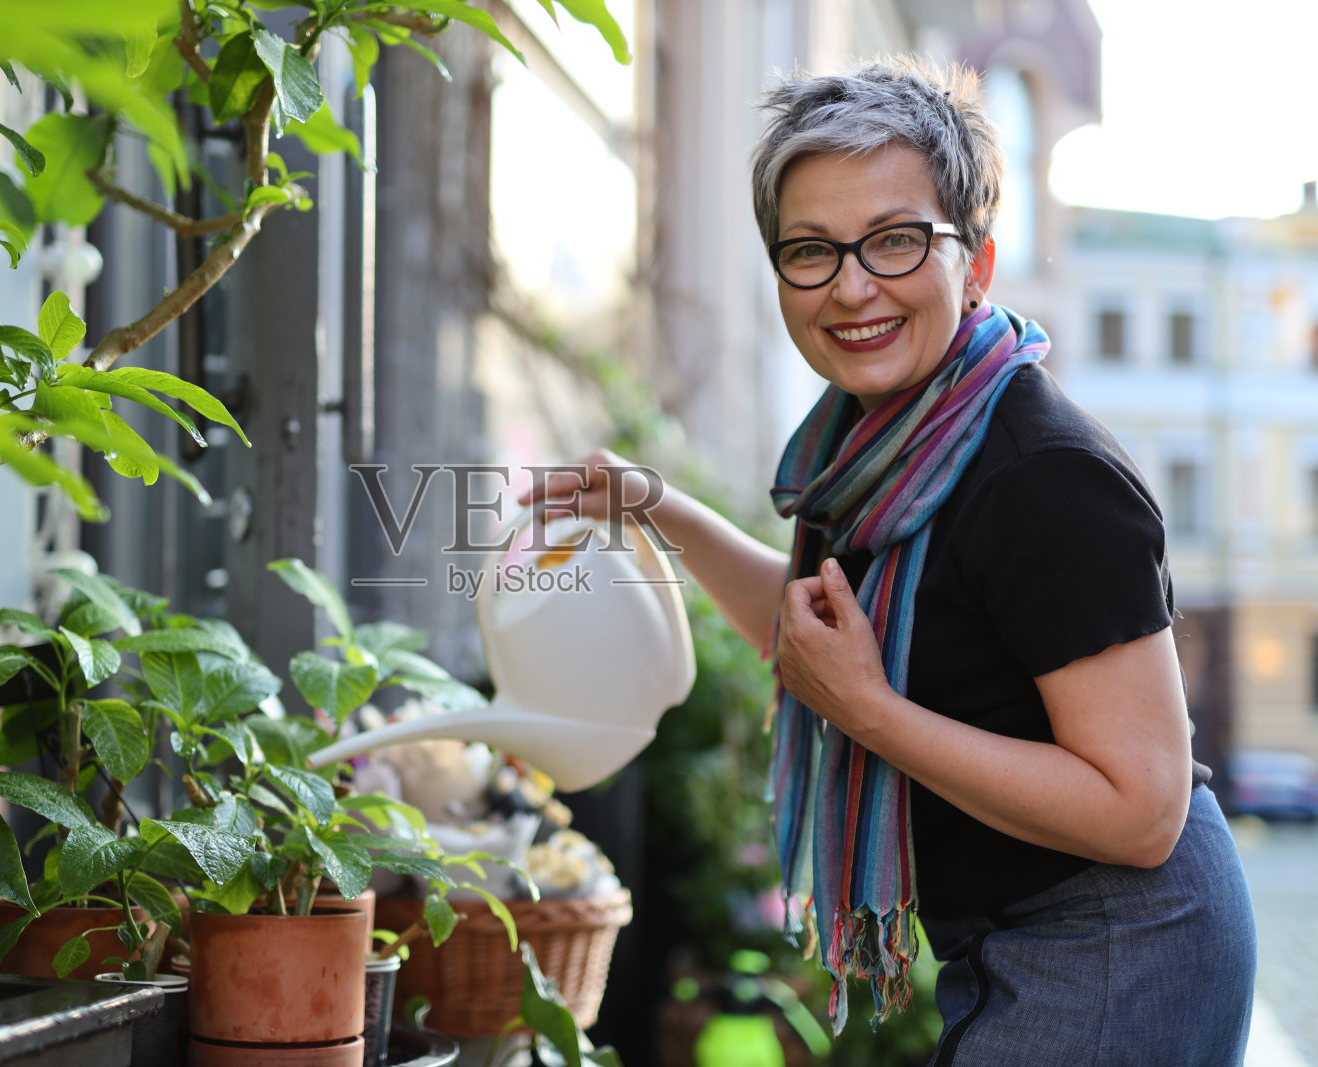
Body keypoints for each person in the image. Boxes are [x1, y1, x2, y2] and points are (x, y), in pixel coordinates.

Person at [519, 59, 1256, 1065]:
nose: (851, 285)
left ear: (978, 262)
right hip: (1011, 933)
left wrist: (872, 712)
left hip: (1123, 939)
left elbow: (1140, 810)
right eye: (810, 251)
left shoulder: (1043, 478)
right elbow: (814, 640)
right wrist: (659, 509)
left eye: (896, 241)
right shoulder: (872, 452)